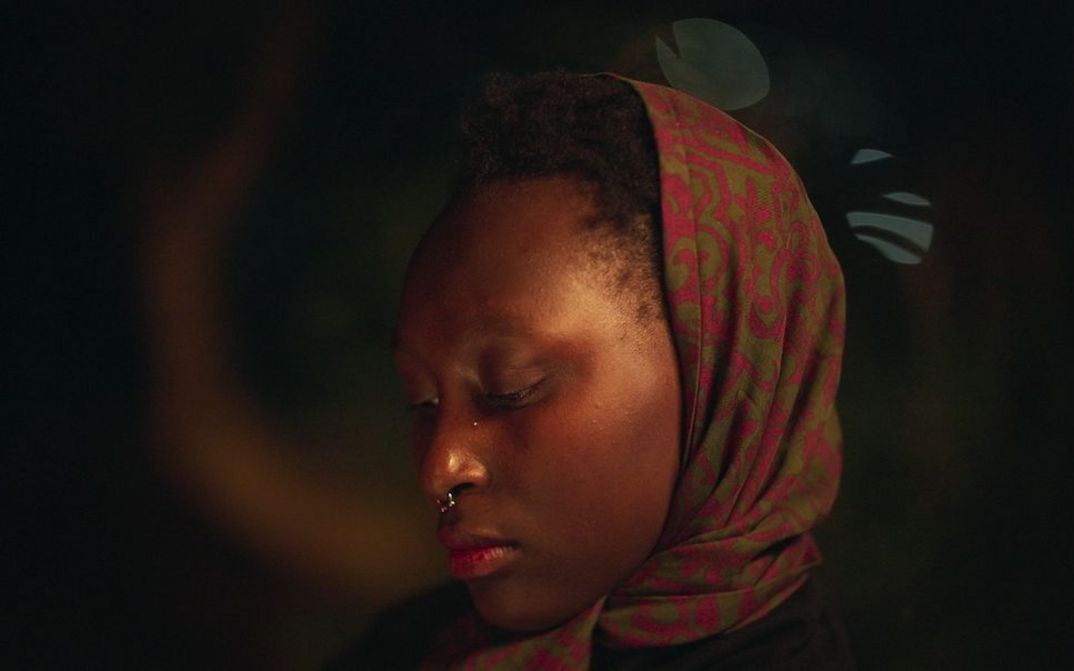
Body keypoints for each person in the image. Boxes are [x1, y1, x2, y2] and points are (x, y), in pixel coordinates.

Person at [333, 71, 853, 669]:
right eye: (422, 401)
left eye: (510, 389)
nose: (439, 470)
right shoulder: (413, 645)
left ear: (720, 376)